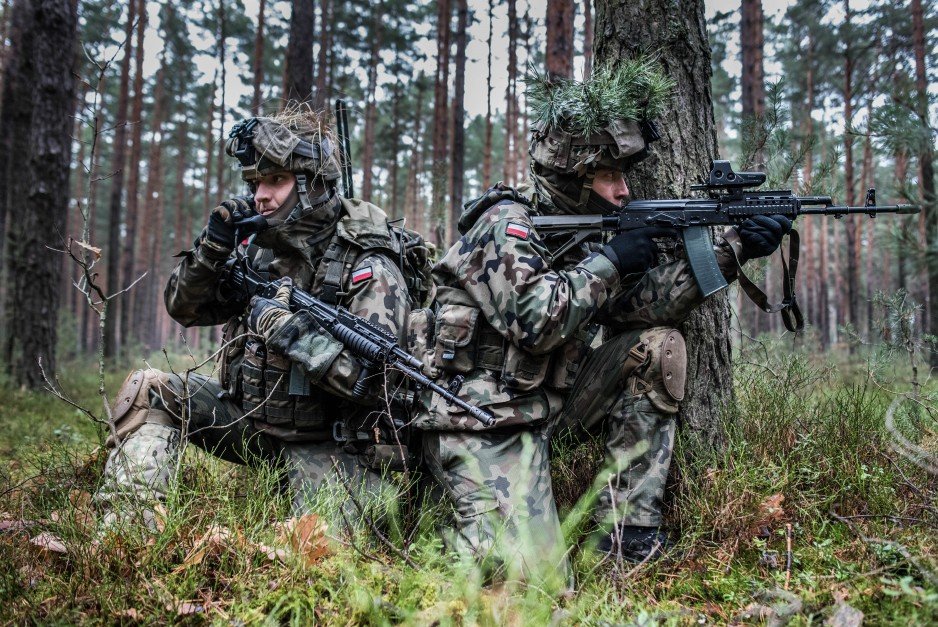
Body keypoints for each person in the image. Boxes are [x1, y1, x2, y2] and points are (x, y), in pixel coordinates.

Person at [408, 61, 791, 578]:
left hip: (550, 403)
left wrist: (733, 250)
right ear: (573, 177)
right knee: (530, 587)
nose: (624, 190)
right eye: (610, 175)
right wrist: (610, 260)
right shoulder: (506, 224)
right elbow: (534, 318)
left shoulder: (587, 237)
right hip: (482, 417)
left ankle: (627, 536)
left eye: (623, 175)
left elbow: (635, 310)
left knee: (657, 346)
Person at [94, 109, 415, 529]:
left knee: (312, 550)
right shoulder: (261, 248)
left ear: (311, 184)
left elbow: (381, 384)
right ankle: (126, 528)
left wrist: (291, 333)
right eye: (254, 183)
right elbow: (184, 308)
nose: (260, 195)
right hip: (252, 426)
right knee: (150, 389)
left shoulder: (368, 262)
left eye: (275, 181)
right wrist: (212, 249)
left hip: (331, 447)